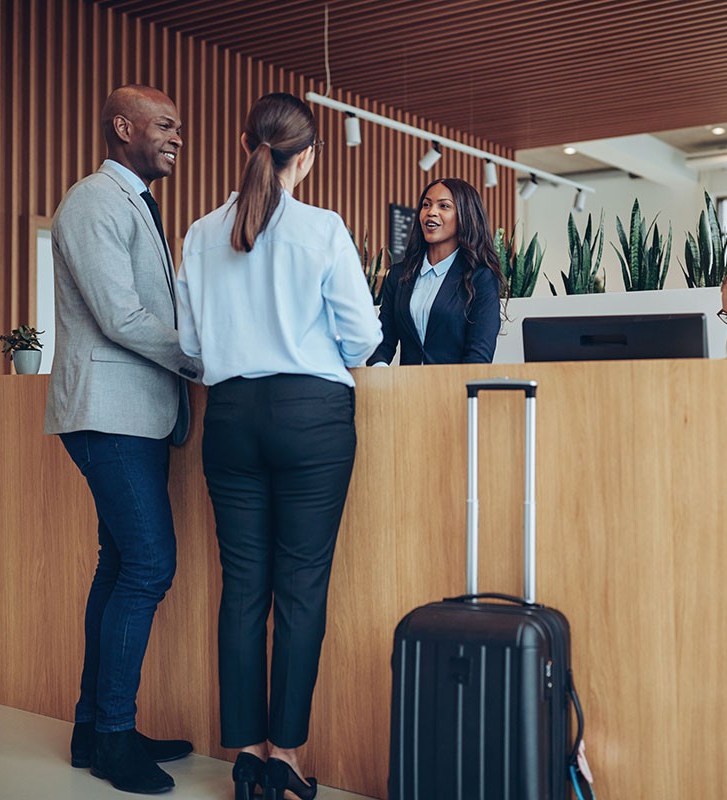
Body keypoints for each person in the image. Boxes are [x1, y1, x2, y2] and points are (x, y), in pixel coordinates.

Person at [176, 92, 381, 800]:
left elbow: (191, 347)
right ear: (309, 158)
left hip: (229, 416)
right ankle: (286, 757)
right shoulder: (322, 229)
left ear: (244, 144)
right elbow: (362, 338)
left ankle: (247, 755)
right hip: (311, 416)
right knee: (299, 588)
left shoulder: (201, 233)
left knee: (243, 589)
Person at [44, 84, 202, 794]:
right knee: (147, 567)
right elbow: (119, 314)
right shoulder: (94, 201)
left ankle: (93, 729)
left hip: (132, 416)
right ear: (122, 126)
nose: (176, 136)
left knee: (118, 569)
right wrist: (202, 356)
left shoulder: (132, 202)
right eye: (165, 125)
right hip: (108, 416)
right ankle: (112, 739)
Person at [367, 177, 504, 366]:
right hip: (404, 390)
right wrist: (379, 370)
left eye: (444, 206)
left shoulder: (481, 277)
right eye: (426, 205)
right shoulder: (399, 274)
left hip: (454, 389)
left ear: (465, 215)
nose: (431, 212)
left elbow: (479, 354)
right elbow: (383, 341)